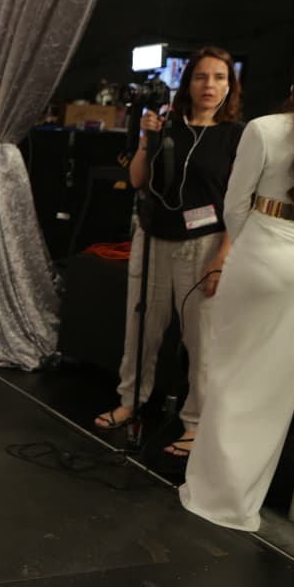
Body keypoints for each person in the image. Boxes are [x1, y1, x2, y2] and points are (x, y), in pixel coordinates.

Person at [94, 46, 243, 458]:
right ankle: (132, 402)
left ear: (230, 86)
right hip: (154, 238)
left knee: (202, 340)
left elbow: (238, 202)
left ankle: (196, 423)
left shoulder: (237, 135)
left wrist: (221, 258)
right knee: (141, 328)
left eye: (218, 78)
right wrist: (147, 139)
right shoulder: (168, 126)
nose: (209, 85)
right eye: (200, 77)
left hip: (205, 244)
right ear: (187, 82)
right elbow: (139, 180)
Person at [179, 57, 294, 530]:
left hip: (261, 252)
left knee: (230, 375)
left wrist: (250, 248)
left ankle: (212, 495)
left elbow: (235, 205)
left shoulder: (263, 130)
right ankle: (243, 503)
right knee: (276, 389)